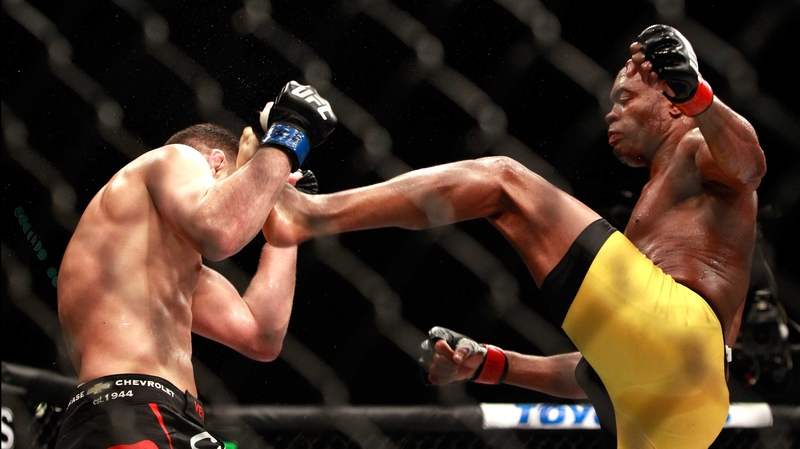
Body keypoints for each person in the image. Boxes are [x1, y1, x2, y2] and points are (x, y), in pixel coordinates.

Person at [262, 25, 766, 448]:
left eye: (625, 98)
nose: (611, 113)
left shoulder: (699, 143)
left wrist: (698, 95)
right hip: (681, 412)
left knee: (503, 181)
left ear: (672, 103)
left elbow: (750, 167)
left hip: (687, 344)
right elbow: (618, 359)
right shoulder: (663, 216)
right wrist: (493, 365)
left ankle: (309, 214)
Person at [54, 81, 336, 448]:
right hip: (130, 405)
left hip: (169, 416)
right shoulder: (177, 158)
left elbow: (261, 335)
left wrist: (286, 228)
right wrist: (289, 136)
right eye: (237, 181)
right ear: (216, 164)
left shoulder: (165, 268)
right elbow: (220, 229)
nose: (250, 205)